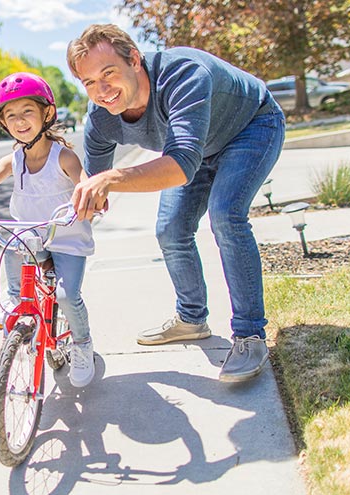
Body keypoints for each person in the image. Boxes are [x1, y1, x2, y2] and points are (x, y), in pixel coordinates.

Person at [66, 24, 285, 383]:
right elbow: (93, 187)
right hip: (196, 150)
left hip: (250, 127)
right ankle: (192, 319)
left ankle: (249, 335)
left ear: (134, 59)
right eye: (89, 82)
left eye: (108, 74)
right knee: (170, 229)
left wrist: (111, 179)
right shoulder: (101, 120)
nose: (102, 91)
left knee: (226, 214)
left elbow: (181, 164)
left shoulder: (183, 74)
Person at [0, 72, 97, 388]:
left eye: (27, 112)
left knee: (66, 294)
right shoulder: (13, 159)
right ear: (3, 123)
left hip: (67, 238)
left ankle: (83, 344)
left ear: (46, 113)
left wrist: (90, 195)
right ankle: (15, 306)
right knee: (14, 267)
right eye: (11, 116)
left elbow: (83, 179)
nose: (20, 121)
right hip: (29, 235)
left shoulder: (64, 156)